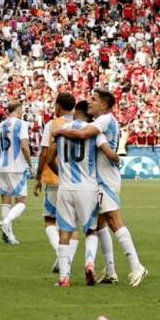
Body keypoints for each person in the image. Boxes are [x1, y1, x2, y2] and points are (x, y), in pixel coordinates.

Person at [55, 90, 146, 287]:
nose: (89, 102)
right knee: (100, 226)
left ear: (104, 105)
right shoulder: (103, 122)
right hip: (99, 181)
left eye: (94, 100)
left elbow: (83, 134)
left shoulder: (104, 120)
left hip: (106, 181)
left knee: (114, 222)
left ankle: (136, 265)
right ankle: (111, 271)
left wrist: (60, 131)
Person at [47, 101, 112, 287]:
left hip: (65, 188)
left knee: (65, 232)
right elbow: (107, 153)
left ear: (76, 111)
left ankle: (64, 278)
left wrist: (61, 173)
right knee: (91, 230)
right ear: (89, 114)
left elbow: (49, 158)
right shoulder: (93, 131)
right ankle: (89, 262)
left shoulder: (62, 130)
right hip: (87, 188)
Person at [0, 101, 34, 245]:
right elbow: (24, 145)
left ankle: (7, 235)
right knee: (21, 202)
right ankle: (6, 222)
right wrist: (30, 165)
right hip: (17, 167)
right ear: (18, 109)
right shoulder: (21, 124)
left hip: (1, 167)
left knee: (5, 201)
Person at [35, 93, 76, 272]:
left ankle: (62, 257)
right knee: (71, 223)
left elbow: (45, 153)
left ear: (58, 106)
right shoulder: (82, 124)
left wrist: (37, 177)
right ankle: (66, 259)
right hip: (76, 180)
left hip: (55, 178)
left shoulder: (53, 125)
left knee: (50, 219)